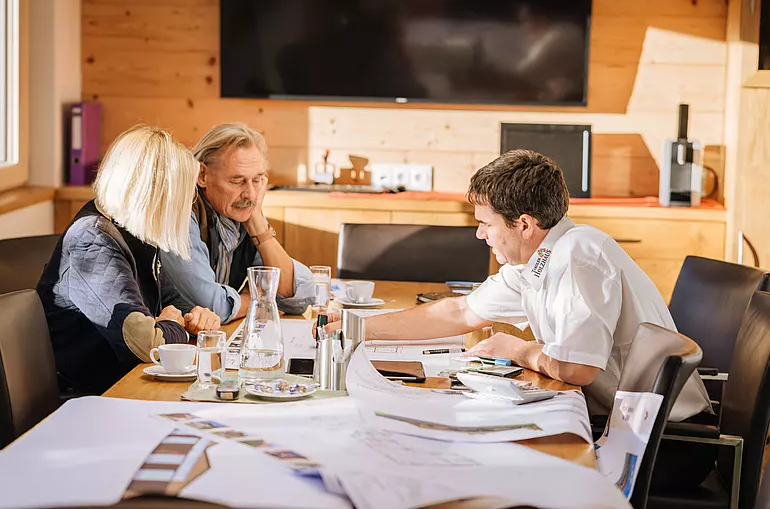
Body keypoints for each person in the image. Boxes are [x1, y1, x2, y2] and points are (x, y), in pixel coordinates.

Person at [321, 150, 711, 421]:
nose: (479, 234)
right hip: (619, 419)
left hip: (662, 443)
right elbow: (460, 311)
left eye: (486, 223)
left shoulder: (578, 257)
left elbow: (577, 370)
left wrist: (520, 350)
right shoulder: (540, 258)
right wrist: (357, 327)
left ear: (523, 224)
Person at [37, 125, 221, 394]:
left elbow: (171, 303)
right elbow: (146, 344)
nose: (185, 206)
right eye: (181, 197)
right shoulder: (92, 241)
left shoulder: (135, 230)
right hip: (94, 397)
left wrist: (197, 316)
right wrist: (174, 326)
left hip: (129, 385)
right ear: (153, 195)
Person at [161, 123, 313, 323]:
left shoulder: (243, 214)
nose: (250, 194)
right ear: (202, 175)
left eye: (257, 180)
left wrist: (258, 224)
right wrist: (257, 298)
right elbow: (214, 305)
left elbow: (297, 299)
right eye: (237, 181)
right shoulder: (179, 213)